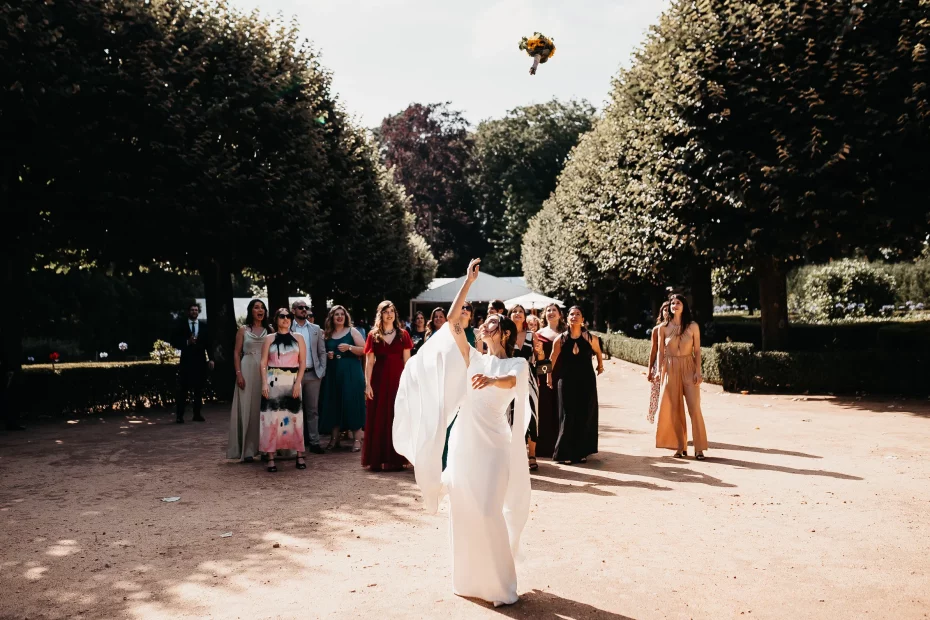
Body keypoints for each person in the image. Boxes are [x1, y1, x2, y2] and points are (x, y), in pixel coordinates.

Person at [394, 258, 532, 607]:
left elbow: (513, 383)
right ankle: (470, 581)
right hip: (464, 444)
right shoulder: (471, 356)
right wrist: (467, 283)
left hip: (495, 443)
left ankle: (501, 584)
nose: (485, 325)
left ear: (503, 333)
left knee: (488, 509)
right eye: (484, 322)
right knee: (465, 509)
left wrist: (492, 378)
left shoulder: (516, 363)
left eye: (492, 323)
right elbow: (454, 320)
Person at [656, 294, 709, 460]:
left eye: (678, 303)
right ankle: (680, 446)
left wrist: (698, 371)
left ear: (684, 306)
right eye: (672, 303)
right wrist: (659, 371)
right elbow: (660, 351)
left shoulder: (693, 326)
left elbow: (698, 351)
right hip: (670, 368)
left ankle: (699, 448)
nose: (674, 305)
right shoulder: (663, 328)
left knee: (694, 408)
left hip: (688, 367)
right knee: (674, 409)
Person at [548, 306, 604, 464]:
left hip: (586, 380)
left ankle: (581, 452)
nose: (574, 316)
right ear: (567, 318)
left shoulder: (591, 338)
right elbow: (552, 359)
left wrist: (600, 365)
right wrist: (548, 377)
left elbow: (598, 352)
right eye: (572, 314)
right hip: (566, 380)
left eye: (578, 314)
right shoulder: (561, 339)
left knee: (584, 414)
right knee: (567, 414)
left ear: (583, 319)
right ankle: (564, 453)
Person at [362, 300, 412, 471]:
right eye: (385, 311)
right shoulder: (372, 335)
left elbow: (407, 361)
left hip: (399, 380)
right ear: (380, 314)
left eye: (392, 311)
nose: (389, 314)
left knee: (397, 416)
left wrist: (410, 383)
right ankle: (378, 457)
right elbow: (369, 362)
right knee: (379, 417)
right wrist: (367, 384)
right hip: (379, 380)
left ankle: (396, 458)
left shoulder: (403, 335)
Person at [260, 308, 307, 472]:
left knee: (295, 418)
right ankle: (271, 457)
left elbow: (302, 363)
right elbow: (263, 363)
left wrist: (297, 383)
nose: (286, 319)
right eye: (282, 316)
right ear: (276, 319)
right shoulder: (269, 338)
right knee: (271, 418)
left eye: (289, 316)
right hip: (273, 380)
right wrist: (264, 383)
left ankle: (299, 455)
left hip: (292, 380)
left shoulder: (299, 338)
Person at [320, 305, 367, 451]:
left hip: (351, 372)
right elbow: (322, 352)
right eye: (336, 315)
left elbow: (365, 349)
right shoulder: (327, 334)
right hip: (333, 373)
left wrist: (350, 348)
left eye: (342, 314)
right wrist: (328, 355)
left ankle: (357, 440)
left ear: (346, 317)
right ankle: (334, 439)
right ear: (332, 318)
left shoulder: (352, 331)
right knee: (334, 403)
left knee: (352, 402)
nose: (340, 317)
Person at [227, 299, 268, 462]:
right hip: (247, 369)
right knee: (248, 409)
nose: (260, 310)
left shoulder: (269, 329)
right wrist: (238, 374)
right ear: (251, 311)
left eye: (262, 308)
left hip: (265, 371)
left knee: (263, 409)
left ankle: (266, 448)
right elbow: (236, 353)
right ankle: (248, 450)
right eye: (256, 307)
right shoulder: (243, 330)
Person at [290, 299, 327, 454]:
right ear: (293, 310)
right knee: (293, 409)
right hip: (292, 375)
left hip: (313, 374)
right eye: (300, 307)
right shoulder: (287, 327)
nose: (304, 310)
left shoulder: (315, 329)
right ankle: (294, 443)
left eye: (306, 307)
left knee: (312, 410)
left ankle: (314, 442)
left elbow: (321, 351)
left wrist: (321, 371)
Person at [509, 304, 542, 471]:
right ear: (510, 315)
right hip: (510, 380)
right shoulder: (505, 336)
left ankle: (532, 454)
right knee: (512, 415)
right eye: (514, 311)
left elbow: (541, 359)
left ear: (524, 316)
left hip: (529, 380)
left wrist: (540, 352)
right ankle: (516, 454)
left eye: (520, 311)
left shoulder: (532, 335)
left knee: (532, 415)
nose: (517, 314)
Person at [172, 301, 214, 424]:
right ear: (188, 312)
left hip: (200, 361)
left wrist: (211, 358)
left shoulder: (203, 325)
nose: (194, 312)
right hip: (186, 361)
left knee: (199, 389)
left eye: (196, 310)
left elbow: (208, 344)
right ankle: (179, 415)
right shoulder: (181, 325)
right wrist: (187, 342)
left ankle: (197, 414)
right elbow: (174, 341)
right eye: (192, 310)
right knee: (183, 389)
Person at [533, 303, 565, 458]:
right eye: (548, 310)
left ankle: (563, 445)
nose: (551, 312)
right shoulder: (538, 334)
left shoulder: (566, 332)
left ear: (560, 314)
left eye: (554, 310)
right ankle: (546, 446)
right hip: (544, 374)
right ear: (544, 315)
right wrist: (547, 375)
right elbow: (540, 358)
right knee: (545, 408)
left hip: (564, 374)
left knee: (562, 409)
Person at [646, 302, 671, 424]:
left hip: (674, 363)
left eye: (668, 310)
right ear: (661, 313)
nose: (667, 312)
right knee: (656, 392)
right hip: (659, 365)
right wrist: (650, 369)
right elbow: (653, 351)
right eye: (664, 310)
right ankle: (656, 418)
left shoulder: (679, 328)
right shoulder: (657, 330)